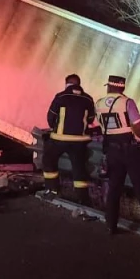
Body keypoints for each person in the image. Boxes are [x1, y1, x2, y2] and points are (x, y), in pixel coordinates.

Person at [95, 75, 140, 236]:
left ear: (109, 87)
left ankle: (111, 225)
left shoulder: (98, 103)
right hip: (130, 151)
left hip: (111, 151)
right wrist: (139, 139)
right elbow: (139, 127)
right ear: (122, 88)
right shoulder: (127, 102)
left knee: (114, 189)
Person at [42, 74, 95, 204]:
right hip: (80, 142)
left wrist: (55, 128)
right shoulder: (88, 99)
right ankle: (83, 199)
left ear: (67, 84)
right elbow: (91, 119)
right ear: (79, 84)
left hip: (59, 139)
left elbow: (51, 117)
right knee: (79, 169)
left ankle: (52, 189)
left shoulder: (61, 97)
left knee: (48, 160)